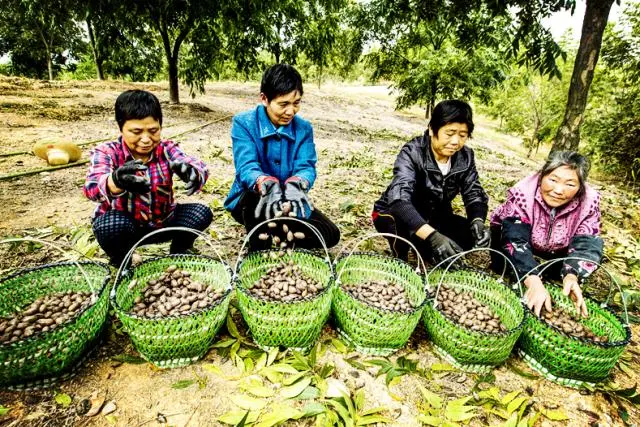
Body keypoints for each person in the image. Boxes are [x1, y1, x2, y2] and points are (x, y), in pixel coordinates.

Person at [83, 89, 212, 267]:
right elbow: (91, 188)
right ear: (121, 128)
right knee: (107, 226)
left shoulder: (166, 149)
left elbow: (196, 164)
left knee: (201, 213)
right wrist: (116, 181)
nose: (146, 139)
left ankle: (179, 251)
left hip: (163, 221)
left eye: (153, 130)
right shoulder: (107, 151)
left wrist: (193, 173)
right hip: (126, 227)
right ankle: (123, 258)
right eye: (136, 132)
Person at [224, 63, 340, 250]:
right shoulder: (244, 123)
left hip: (288, 200)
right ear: (264, 99)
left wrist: (297, 184)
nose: (290, 112)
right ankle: (260, 246)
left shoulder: (303, 128)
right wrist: (264, 182)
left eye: (296, 103)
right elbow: (246, 167)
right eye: (283, 104)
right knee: (256, 197)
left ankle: (275, 236)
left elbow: (306, 166)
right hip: (252, 199)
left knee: (330, 234)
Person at [372, 99, 490, 265]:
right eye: (449, 134)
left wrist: (477, 220)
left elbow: (474, 193)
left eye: (462, 135)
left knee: (467, 236)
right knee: (404, 231)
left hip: (434, 215)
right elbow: (398, 200)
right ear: (432, 129)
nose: (456, 141)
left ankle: (425, 245)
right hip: (397, 213)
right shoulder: (413, 151)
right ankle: (410, 248)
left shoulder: (466, 157)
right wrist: (433, 237)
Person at [490, 151, 603, 318]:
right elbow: (514, 238)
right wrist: (533, 280)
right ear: (542, 176)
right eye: (553, 180)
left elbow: (587, 243)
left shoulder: (588, 202)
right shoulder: (523, 193)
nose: (558, 190)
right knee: (507, 265)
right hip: (516, 241)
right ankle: (527, 274)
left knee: (565, 272)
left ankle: (553, 275)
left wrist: (572, 275)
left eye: (570, 184)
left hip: (556, 250)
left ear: (580, 188)